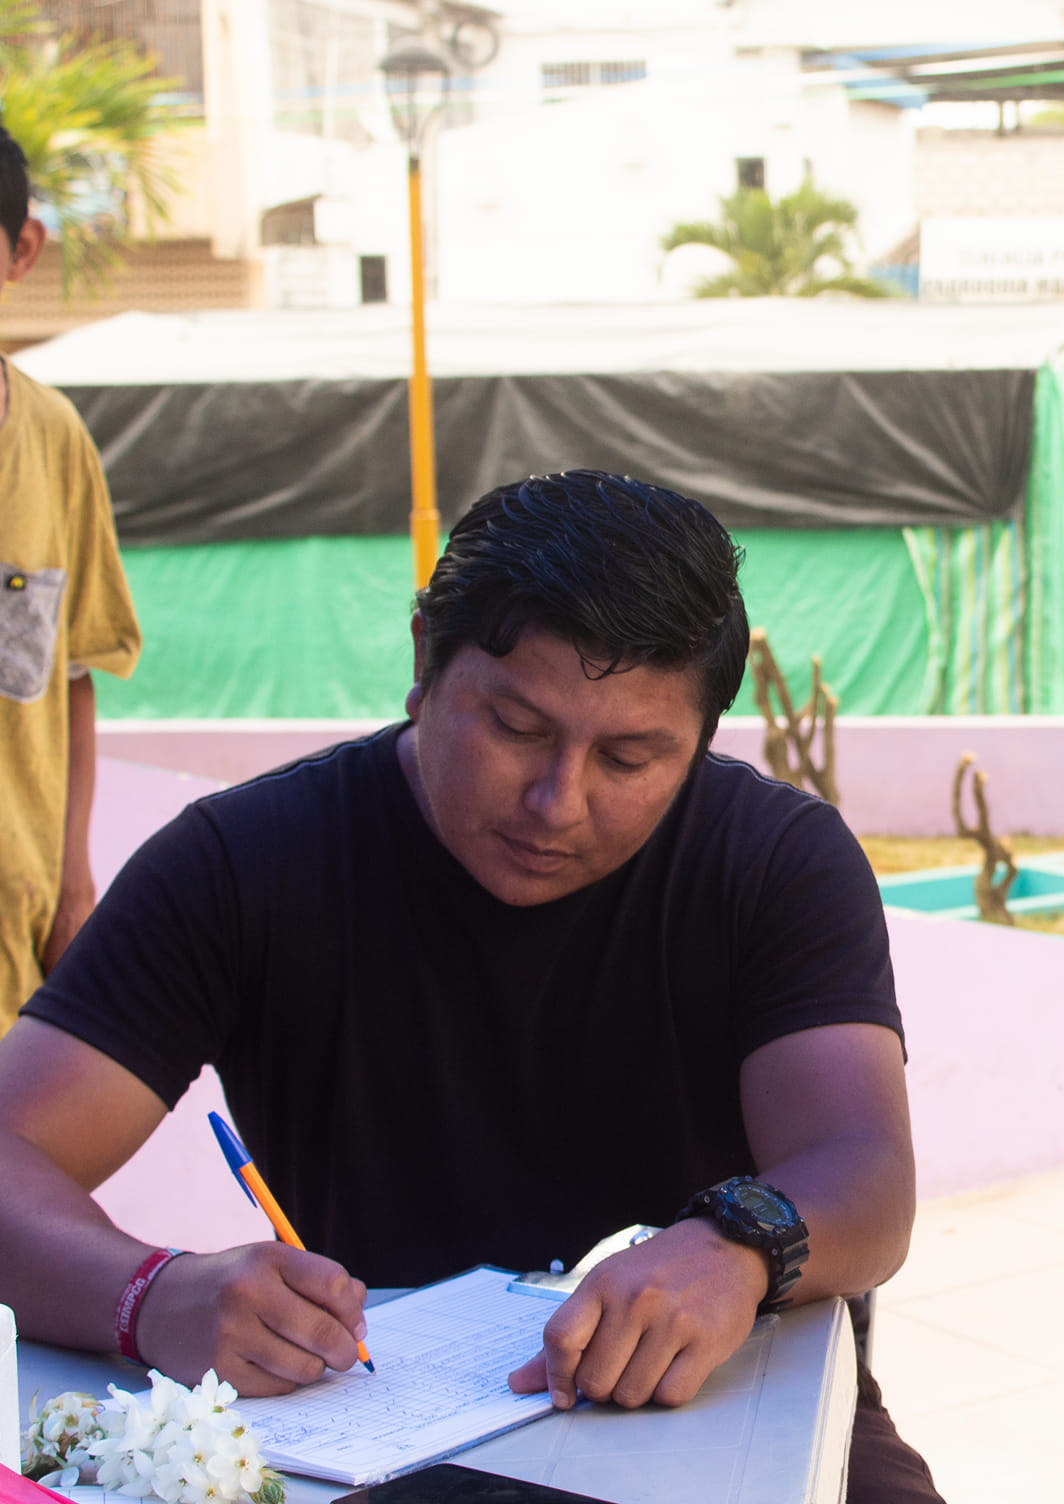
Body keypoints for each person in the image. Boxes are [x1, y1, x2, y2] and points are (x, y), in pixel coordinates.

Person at [0, 471, 944, 1504]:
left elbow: (866, 1171)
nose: (557, 801)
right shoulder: (245, 864)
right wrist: (144, 1294)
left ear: (703, 738)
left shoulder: (772, 862)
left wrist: (739, 1248)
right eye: (515, 727)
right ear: (423, 661)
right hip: (370, 1432)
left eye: (629, 757)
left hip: (738, 1411)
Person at [0, 121, 142, 1031]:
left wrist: (72, 885)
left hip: (16, 933)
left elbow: (74, 672)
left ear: (22, 249)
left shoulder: (53, 439)